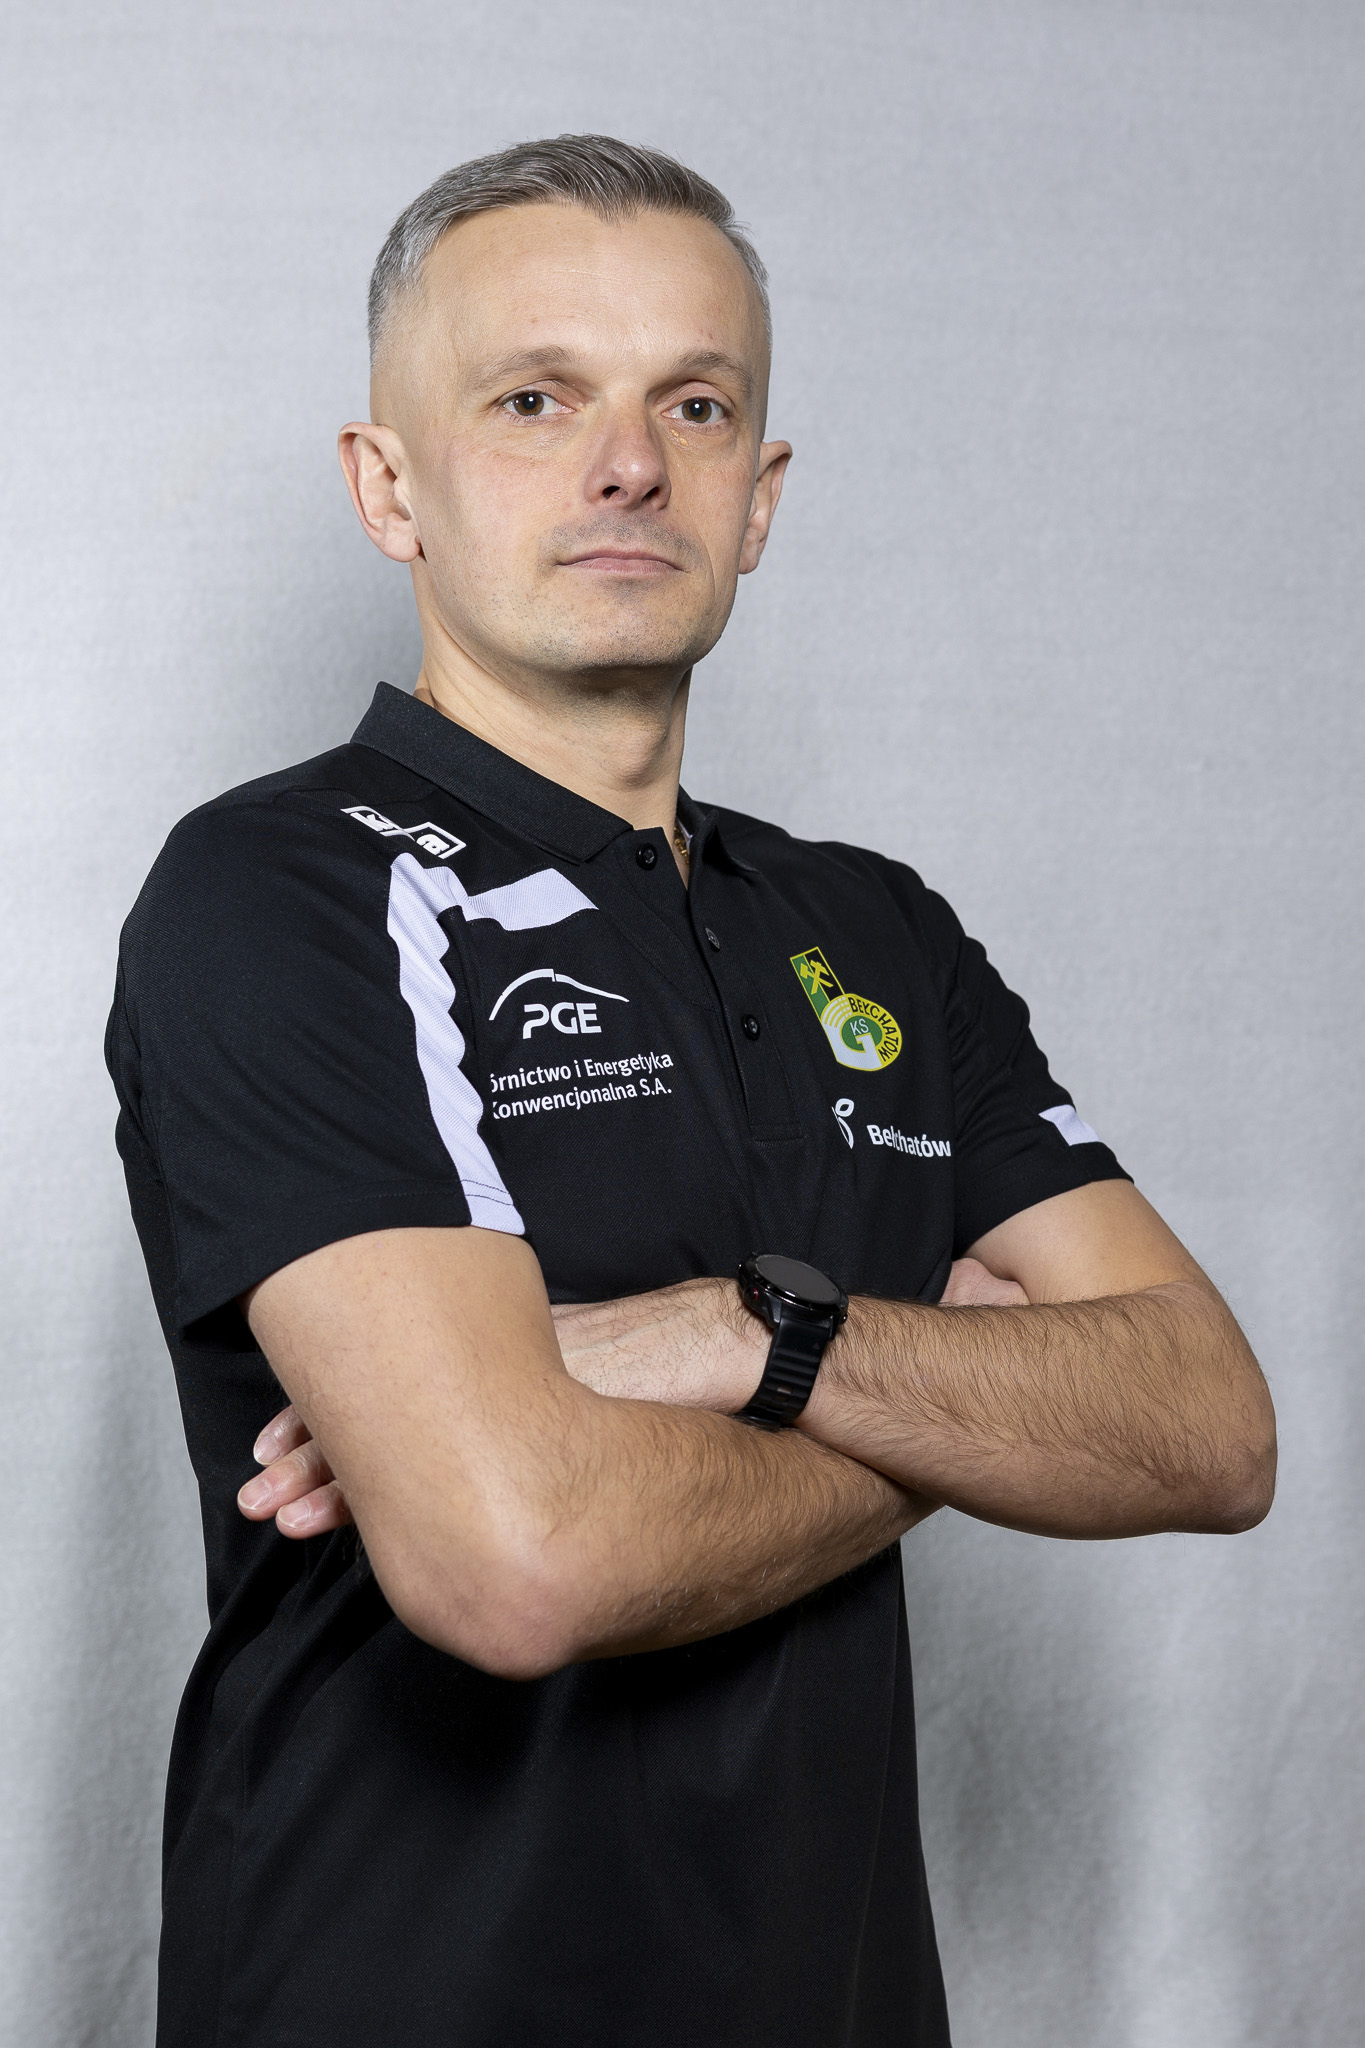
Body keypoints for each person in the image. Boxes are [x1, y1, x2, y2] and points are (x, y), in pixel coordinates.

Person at [107, 135, 1275, 2048]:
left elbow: (1208, 1430)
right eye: (533, 398)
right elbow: (518, 1561)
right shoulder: (291, 890)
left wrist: (741, 1332)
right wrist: (958, 1391)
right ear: (388, 486)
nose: (628, 464)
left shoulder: (874, 930)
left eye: (695, 405)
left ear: (760, 496)